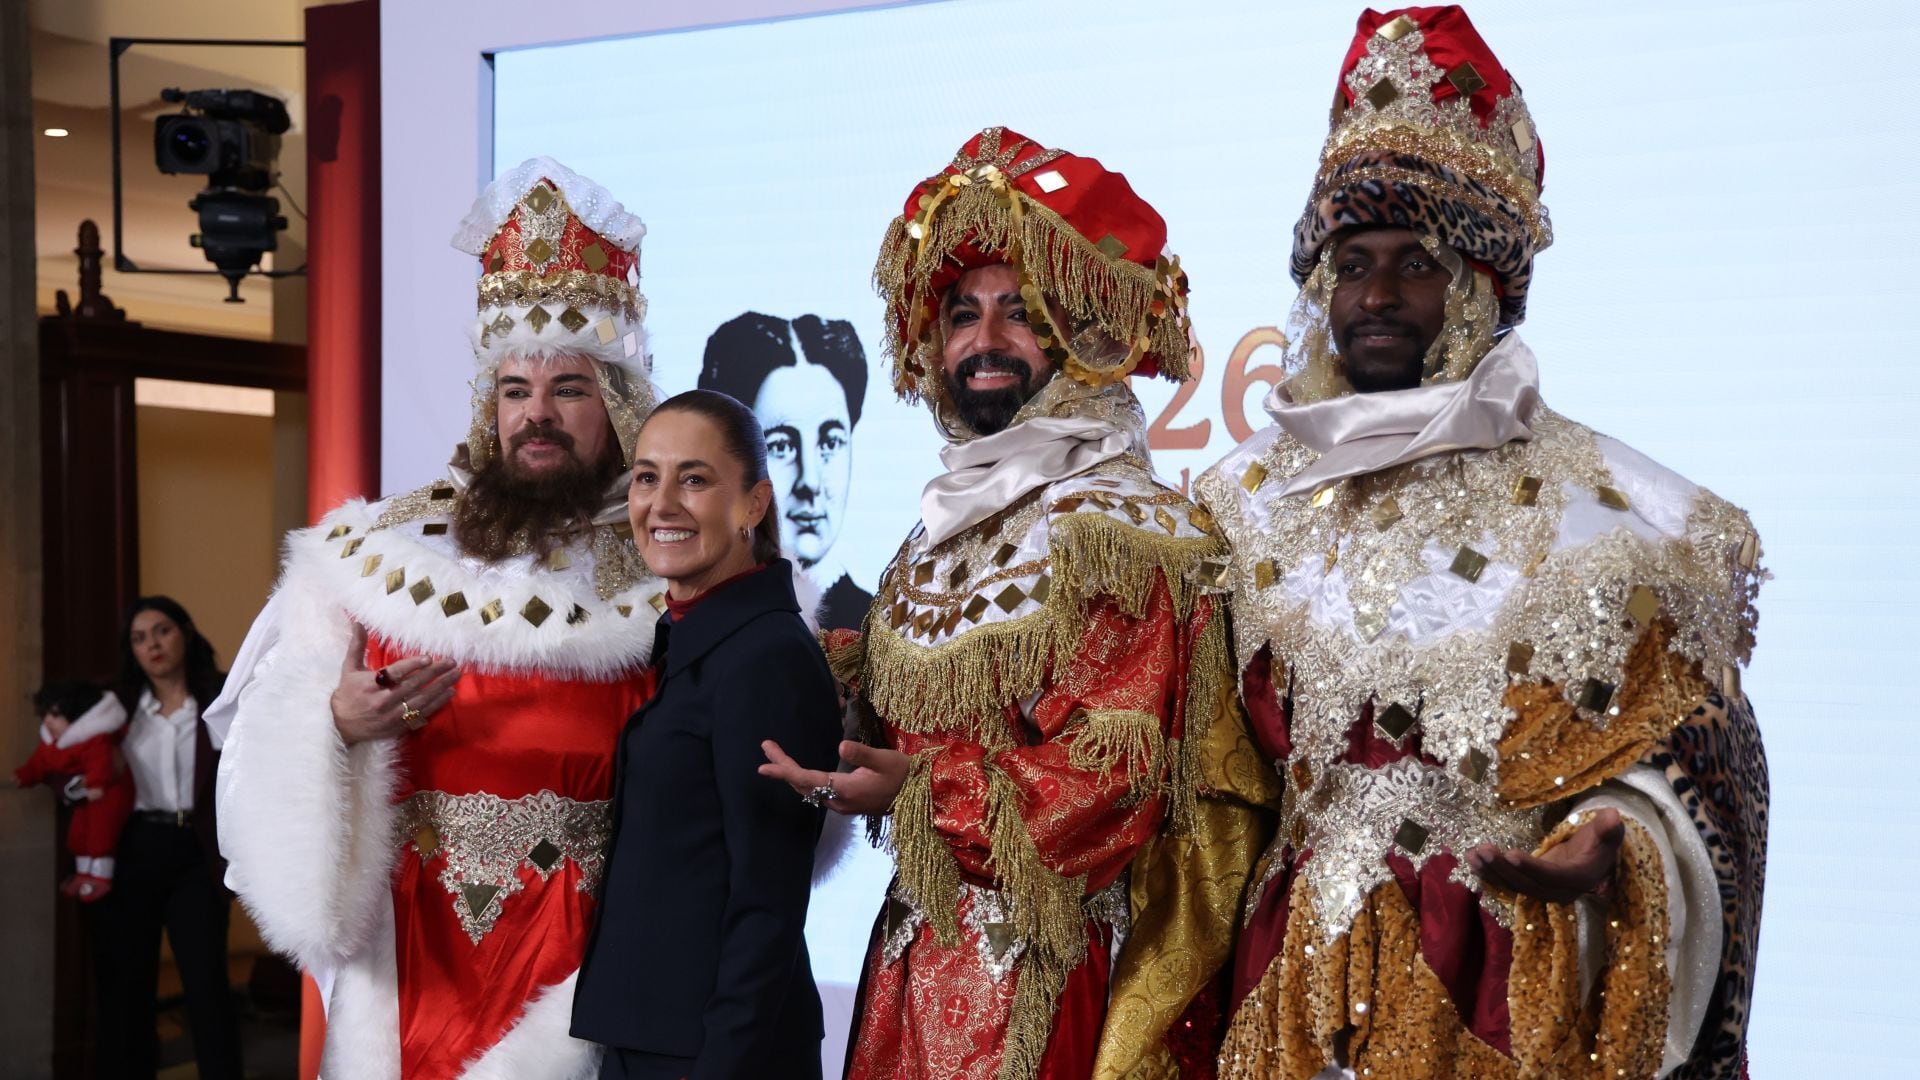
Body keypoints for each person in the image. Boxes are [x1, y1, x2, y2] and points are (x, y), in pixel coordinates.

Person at [1198, 9, 1769, 1079]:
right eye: (1352, 260)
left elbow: (1698, 766)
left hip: (1496, 984)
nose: (1374, 295)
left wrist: (1618, 837)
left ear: (1480, 283)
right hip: (1289, 986)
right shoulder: (1240, 508)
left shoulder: (1613, 516)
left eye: (1415, 263)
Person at [760, 127, 1276, 1080]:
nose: (984, 343)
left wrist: (918, 791)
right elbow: (890, 717)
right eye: (962, 314)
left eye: (1018, 312)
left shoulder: (1122, 532)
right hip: (910, 966)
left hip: (1044, 981)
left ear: (1078, 336)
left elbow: (1103, 788)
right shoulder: (934, 530)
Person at [207, 157, 667, 1079]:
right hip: (412, 965)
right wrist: (335, 724)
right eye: (514, 390)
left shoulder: (670, 557)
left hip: (592, 969)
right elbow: (253, 742)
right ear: (486, 403)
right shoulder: (379, 552)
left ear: (615, 403)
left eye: (568, 388)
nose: (537, 415)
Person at [572, 389, 839, 1079]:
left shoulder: (767, 656)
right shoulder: (698, 638)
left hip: (715, 1055)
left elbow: (767, 906)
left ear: (753, 504)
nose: (661, 504)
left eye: (694, 479)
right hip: (653, 1039)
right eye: (646, 477)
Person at [96, 596, 244, 1079]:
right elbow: (68, 765)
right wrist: (87, 782)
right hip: (136, 849)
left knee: (205, 984)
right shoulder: (116, 707)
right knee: (128, 985)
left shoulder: (220, 698)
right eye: (139, 638)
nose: (152, 645)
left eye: (161, 631)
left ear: (184, 631)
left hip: (195, 853)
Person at [698, 312, 872, 629]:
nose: (810, 481)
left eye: (830, 442)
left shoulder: (880, 627)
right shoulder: (697, 616)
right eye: (781, 446)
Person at [15, 680, 133, 902]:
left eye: (56, 715)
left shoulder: (96, 738)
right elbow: (39, 763)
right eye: (46, 715)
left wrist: (97, 783)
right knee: (78, 836)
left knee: (101, 835)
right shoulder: (53, 742)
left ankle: (100, 877)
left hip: (107, 796)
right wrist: (25, 775)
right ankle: (83, 874)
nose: (48, 722)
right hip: (85, 799)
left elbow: (102, 763)